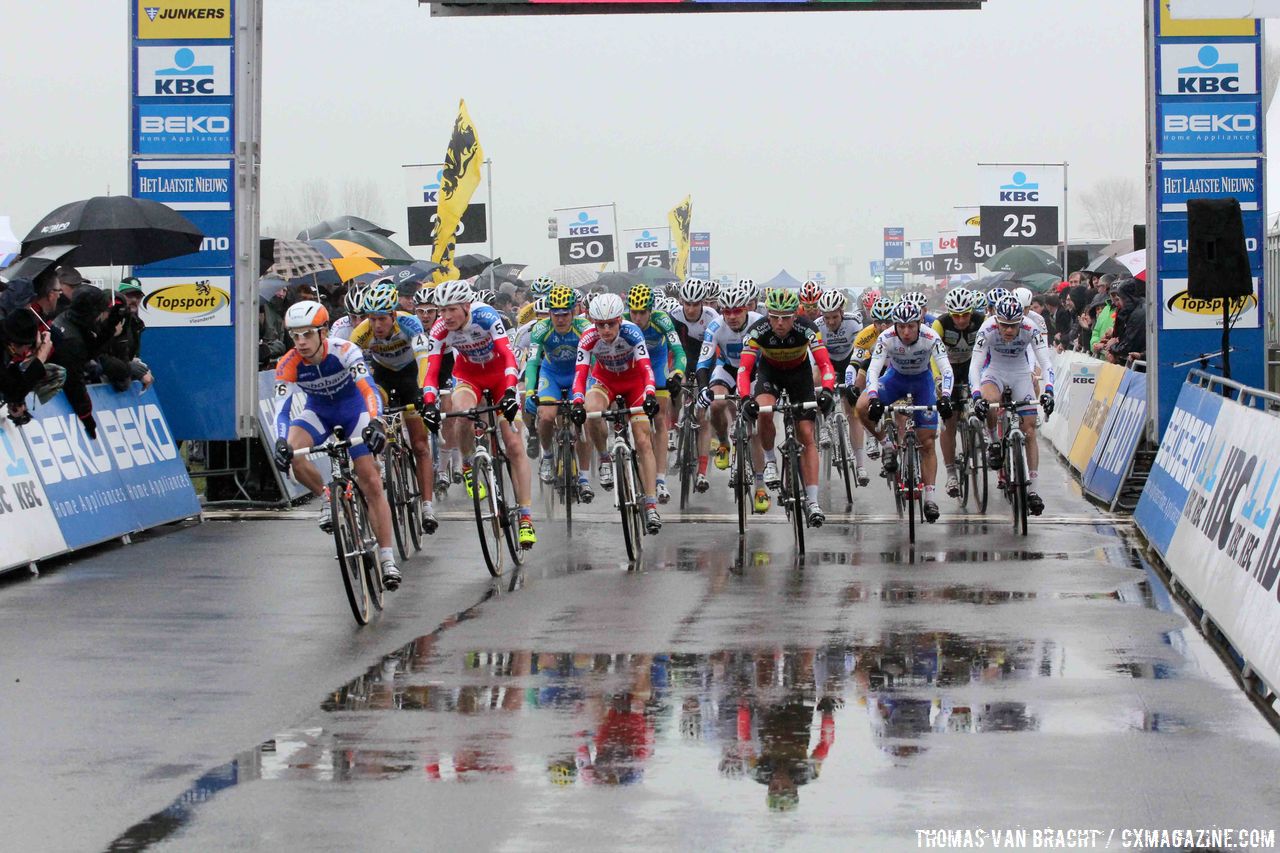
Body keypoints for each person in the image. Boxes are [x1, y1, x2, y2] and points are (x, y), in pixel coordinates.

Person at [270, 300, 401, 589]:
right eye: (295, 336)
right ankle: (328, 496)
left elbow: (368, 389)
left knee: (370, 480)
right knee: (293, 453)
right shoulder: (288, 363)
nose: (301, 342)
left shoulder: (345, 351)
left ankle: (387, 557)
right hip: (318, 412)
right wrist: (281, 441)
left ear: (323, 332)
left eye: (307, 334)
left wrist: (376, 422)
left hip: (353, 410)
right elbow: (282, 410)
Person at [420, 279, 538, 549]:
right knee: (459, 412)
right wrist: (428, 402)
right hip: (468, 376)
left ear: (465, 305)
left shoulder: (486, 316)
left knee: (514, 444)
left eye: (451, 310)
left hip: (499, 377)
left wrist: (509, 392)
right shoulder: (440, 329)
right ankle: (467, 464)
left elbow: (508, 356)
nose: (445, 316)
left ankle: (526, 517)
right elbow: (431, 371)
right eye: (441, 310)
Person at [737, 288, 836, 529]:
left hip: (799, 376)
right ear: (768, 316)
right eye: (774, 317)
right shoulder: (757, 330)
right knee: (764, 409)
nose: (779, 323)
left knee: (805, 434)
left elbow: (825, 364)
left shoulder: (807, 329)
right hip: (770, 374)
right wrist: (744, 398)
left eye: (785, 317)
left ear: (795, 315)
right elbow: (744, 369)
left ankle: (813, 502)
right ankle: (770, 461)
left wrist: (828, 391)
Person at [348, 279, 439, 534]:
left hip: (411, 375)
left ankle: (427, 505)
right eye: (372, 319)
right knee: (376, 408)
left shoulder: (410, 323)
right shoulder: (361, 334)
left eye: (382, 319)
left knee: (420, 445)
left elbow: (424, 360)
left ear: (392, 315)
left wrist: (422, 391)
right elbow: (357, 372)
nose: (376, 325)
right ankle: (385, 461)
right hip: (383, 378)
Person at [570, 292, 663, 533]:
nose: (606, 330)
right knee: (590, 411)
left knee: (642, 439)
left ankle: (651, 504)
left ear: (619, 320)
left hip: (635, 384)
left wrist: (651, 393)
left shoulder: (632, 332)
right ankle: (603, 457)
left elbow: (645, 368)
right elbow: (580, 375)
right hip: (605, 383)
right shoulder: (588, 337)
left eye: (611, 324)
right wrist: (578, 401)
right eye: (600, 324)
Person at [857, 300, 952, 524]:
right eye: (901, 327)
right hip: (895, 380)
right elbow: (873, 369)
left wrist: (946, 396)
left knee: (927, 442)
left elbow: (946, 368)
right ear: (895, 326)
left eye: (911, 326)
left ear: (920, 323)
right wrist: (872, 397)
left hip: (922, 383)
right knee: (861, 407)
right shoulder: (886, 337)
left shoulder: (930, 337)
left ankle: (930, 497)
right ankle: (886, 445)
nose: (906, 332)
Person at [969, 296, 1055, 516]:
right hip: (995, 371)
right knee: (989, 404)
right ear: (996, 320)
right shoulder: (987, 328)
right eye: (1004, 325)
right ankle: (994, 441)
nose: (1008, 330)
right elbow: (975, 366)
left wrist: (1049, 391)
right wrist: (977, 396)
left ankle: (1033, 491)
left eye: (1013, 325)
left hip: (1020, 373)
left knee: (1029, 431)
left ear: (1021, 321)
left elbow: (1046, 362)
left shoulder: (1030, 327)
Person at [694, 279, 764, 503]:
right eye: (727, 311)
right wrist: (704, 389)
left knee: (756, 425)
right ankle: (724, 441)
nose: (732, 316)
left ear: (747, 308)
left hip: (755, 371)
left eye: (737, 311)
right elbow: (703, 362)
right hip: (727, 369)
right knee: (715, 403)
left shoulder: (759, 323)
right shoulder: (715, 326)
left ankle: (761, 486)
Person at [525, 285, 594, 503]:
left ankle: (583, 477)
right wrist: (529, 391)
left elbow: (594, 359)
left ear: (574, 312)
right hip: (552, 374)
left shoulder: (584, 327)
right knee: (546, 416)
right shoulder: (541, 329)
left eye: (565, 314)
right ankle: (546, 456)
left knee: (582, 422)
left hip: (578, 373)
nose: (560, 319)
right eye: (555, 314)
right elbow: (533, 362)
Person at [625, 284, 686, 505]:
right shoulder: (622, 320)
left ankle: (660, 479)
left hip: (657, 363)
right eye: (634, 312)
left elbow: (678, 352)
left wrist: (677, 374)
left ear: (651, 310)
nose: (638, 317)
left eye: (643, 312)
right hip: (633, 367)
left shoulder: (662, 320)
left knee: (659, 417)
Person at [932, 288, 983, 498]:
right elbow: (933, 356)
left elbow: (989, 351)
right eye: (957, 316)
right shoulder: (940, 324)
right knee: (948, 421)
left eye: (965, 315)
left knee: (983, 397)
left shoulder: (982, 321)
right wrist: (938, 380)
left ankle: (984, 434)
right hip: (947, 368)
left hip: (972, 365)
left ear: (972, 312)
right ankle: (951, 471)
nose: (961, 320)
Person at [813, 289, 864, 480]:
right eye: (827, 318)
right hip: (827, 362)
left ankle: (860, 464)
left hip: (850, 361)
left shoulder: (854, 322)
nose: (831, 322)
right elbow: (815, 358)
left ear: (842, 311)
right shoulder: (817, 326)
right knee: (815, 379)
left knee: (853, 412)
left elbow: (860, 351)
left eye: (834, 317)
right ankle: (824, 425)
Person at [1, 308, 53, 424]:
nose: (27, 350)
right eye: (28, 346)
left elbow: (11, 380)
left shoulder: (5, 337)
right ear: (14, 344)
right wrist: (40, 359)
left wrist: (34, 356)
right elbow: (13, 391)